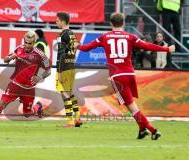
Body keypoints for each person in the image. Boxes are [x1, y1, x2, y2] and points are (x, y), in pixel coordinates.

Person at [75, 12, 175, 140]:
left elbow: (86, 48)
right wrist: (167, 49)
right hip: (129, 73)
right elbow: (147, 45)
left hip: (117, 76)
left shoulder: (105, 37)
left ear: (111, 23)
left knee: (131, 106)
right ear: (123, 23)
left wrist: (77, 45)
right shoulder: (130, 36)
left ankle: (153, 130)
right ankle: (141, 129)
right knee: (131, 105)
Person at [0, 30, 51, 131]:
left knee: (27, 114)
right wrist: (11, 57)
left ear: (34, 43)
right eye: (26, 42)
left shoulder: (40, 55)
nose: (27, 45)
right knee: (1, 104)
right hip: (15, 84)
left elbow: (48, 71)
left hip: (28, 88)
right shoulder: (19, 49)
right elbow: (5, 60)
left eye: (30, 43)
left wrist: (40, 77)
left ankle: (38, 107)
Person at [55, 12, 82, 127]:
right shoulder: (72, 34)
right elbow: (75, 49)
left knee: (64, 93)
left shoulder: (62, 35)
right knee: (70, 92)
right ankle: (78, 117)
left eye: (57, 20)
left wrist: (59, 71)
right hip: (71, 65)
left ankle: (70, 120)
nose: (56, 22)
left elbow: (61, 54)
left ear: (62, 21)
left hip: (64, 67)